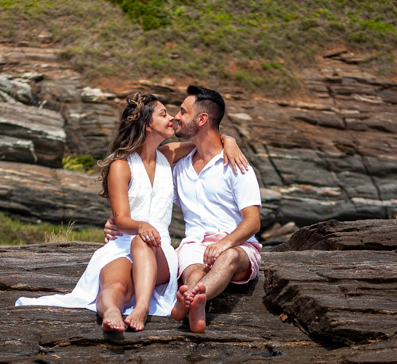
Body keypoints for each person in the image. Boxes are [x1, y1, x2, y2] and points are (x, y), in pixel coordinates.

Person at [16, 92, 248, 333]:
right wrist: (139, 225)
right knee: (115, 287)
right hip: (122, 244)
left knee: (143, 241)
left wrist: (229, 140)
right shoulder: (121, 166)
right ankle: (111, 311)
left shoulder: (167, 155)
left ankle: (142, 308)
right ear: (147, 124)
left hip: (159, 248)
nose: (172, 118)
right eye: (163, 114)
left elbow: (207, 141)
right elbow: (121, 220)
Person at [108, 85, 262, 334]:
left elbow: (253, 222)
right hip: (194, 245)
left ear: (202, 119)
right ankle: (195, 300)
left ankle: (193, 298)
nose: (176, 117)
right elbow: (150, 194)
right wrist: (117, 219)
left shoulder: (235, 164)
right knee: (192, 270)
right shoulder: (178, 167)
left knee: (229, 257)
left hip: (237, 245)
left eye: (182, 111)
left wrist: (224, 244)